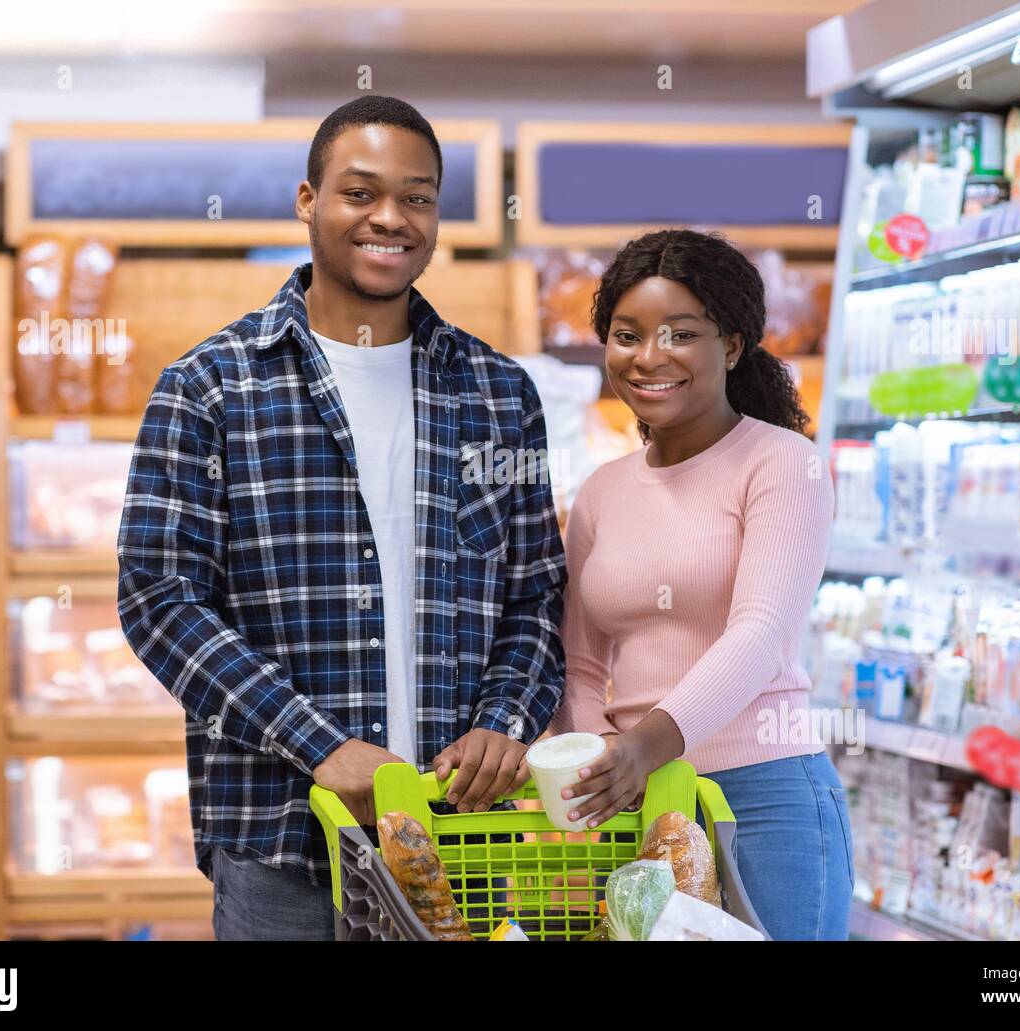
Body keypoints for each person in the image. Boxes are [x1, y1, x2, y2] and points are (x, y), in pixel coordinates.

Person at [117, 96, 566, 941]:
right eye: (360, 193)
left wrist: (502, 724)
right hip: (283, 842)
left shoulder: (501, 394)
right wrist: (320, 744)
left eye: (418, 197)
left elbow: (537, 595)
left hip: (460, 836)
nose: (390, 218)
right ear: (307, 201)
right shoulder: (212, 387)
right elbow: (160, 600)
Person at [549, 228, 853, 940]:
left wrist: (643, 746)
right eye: (627, 334)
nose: (649, 356)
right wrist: (602, 761)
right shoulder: (601, 490)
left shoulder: (782, 465)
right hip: (636, 801)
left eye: (680, 333)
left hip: (763, 796)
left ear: (733, 345)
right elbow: (581, 659)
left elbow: (761, 632)